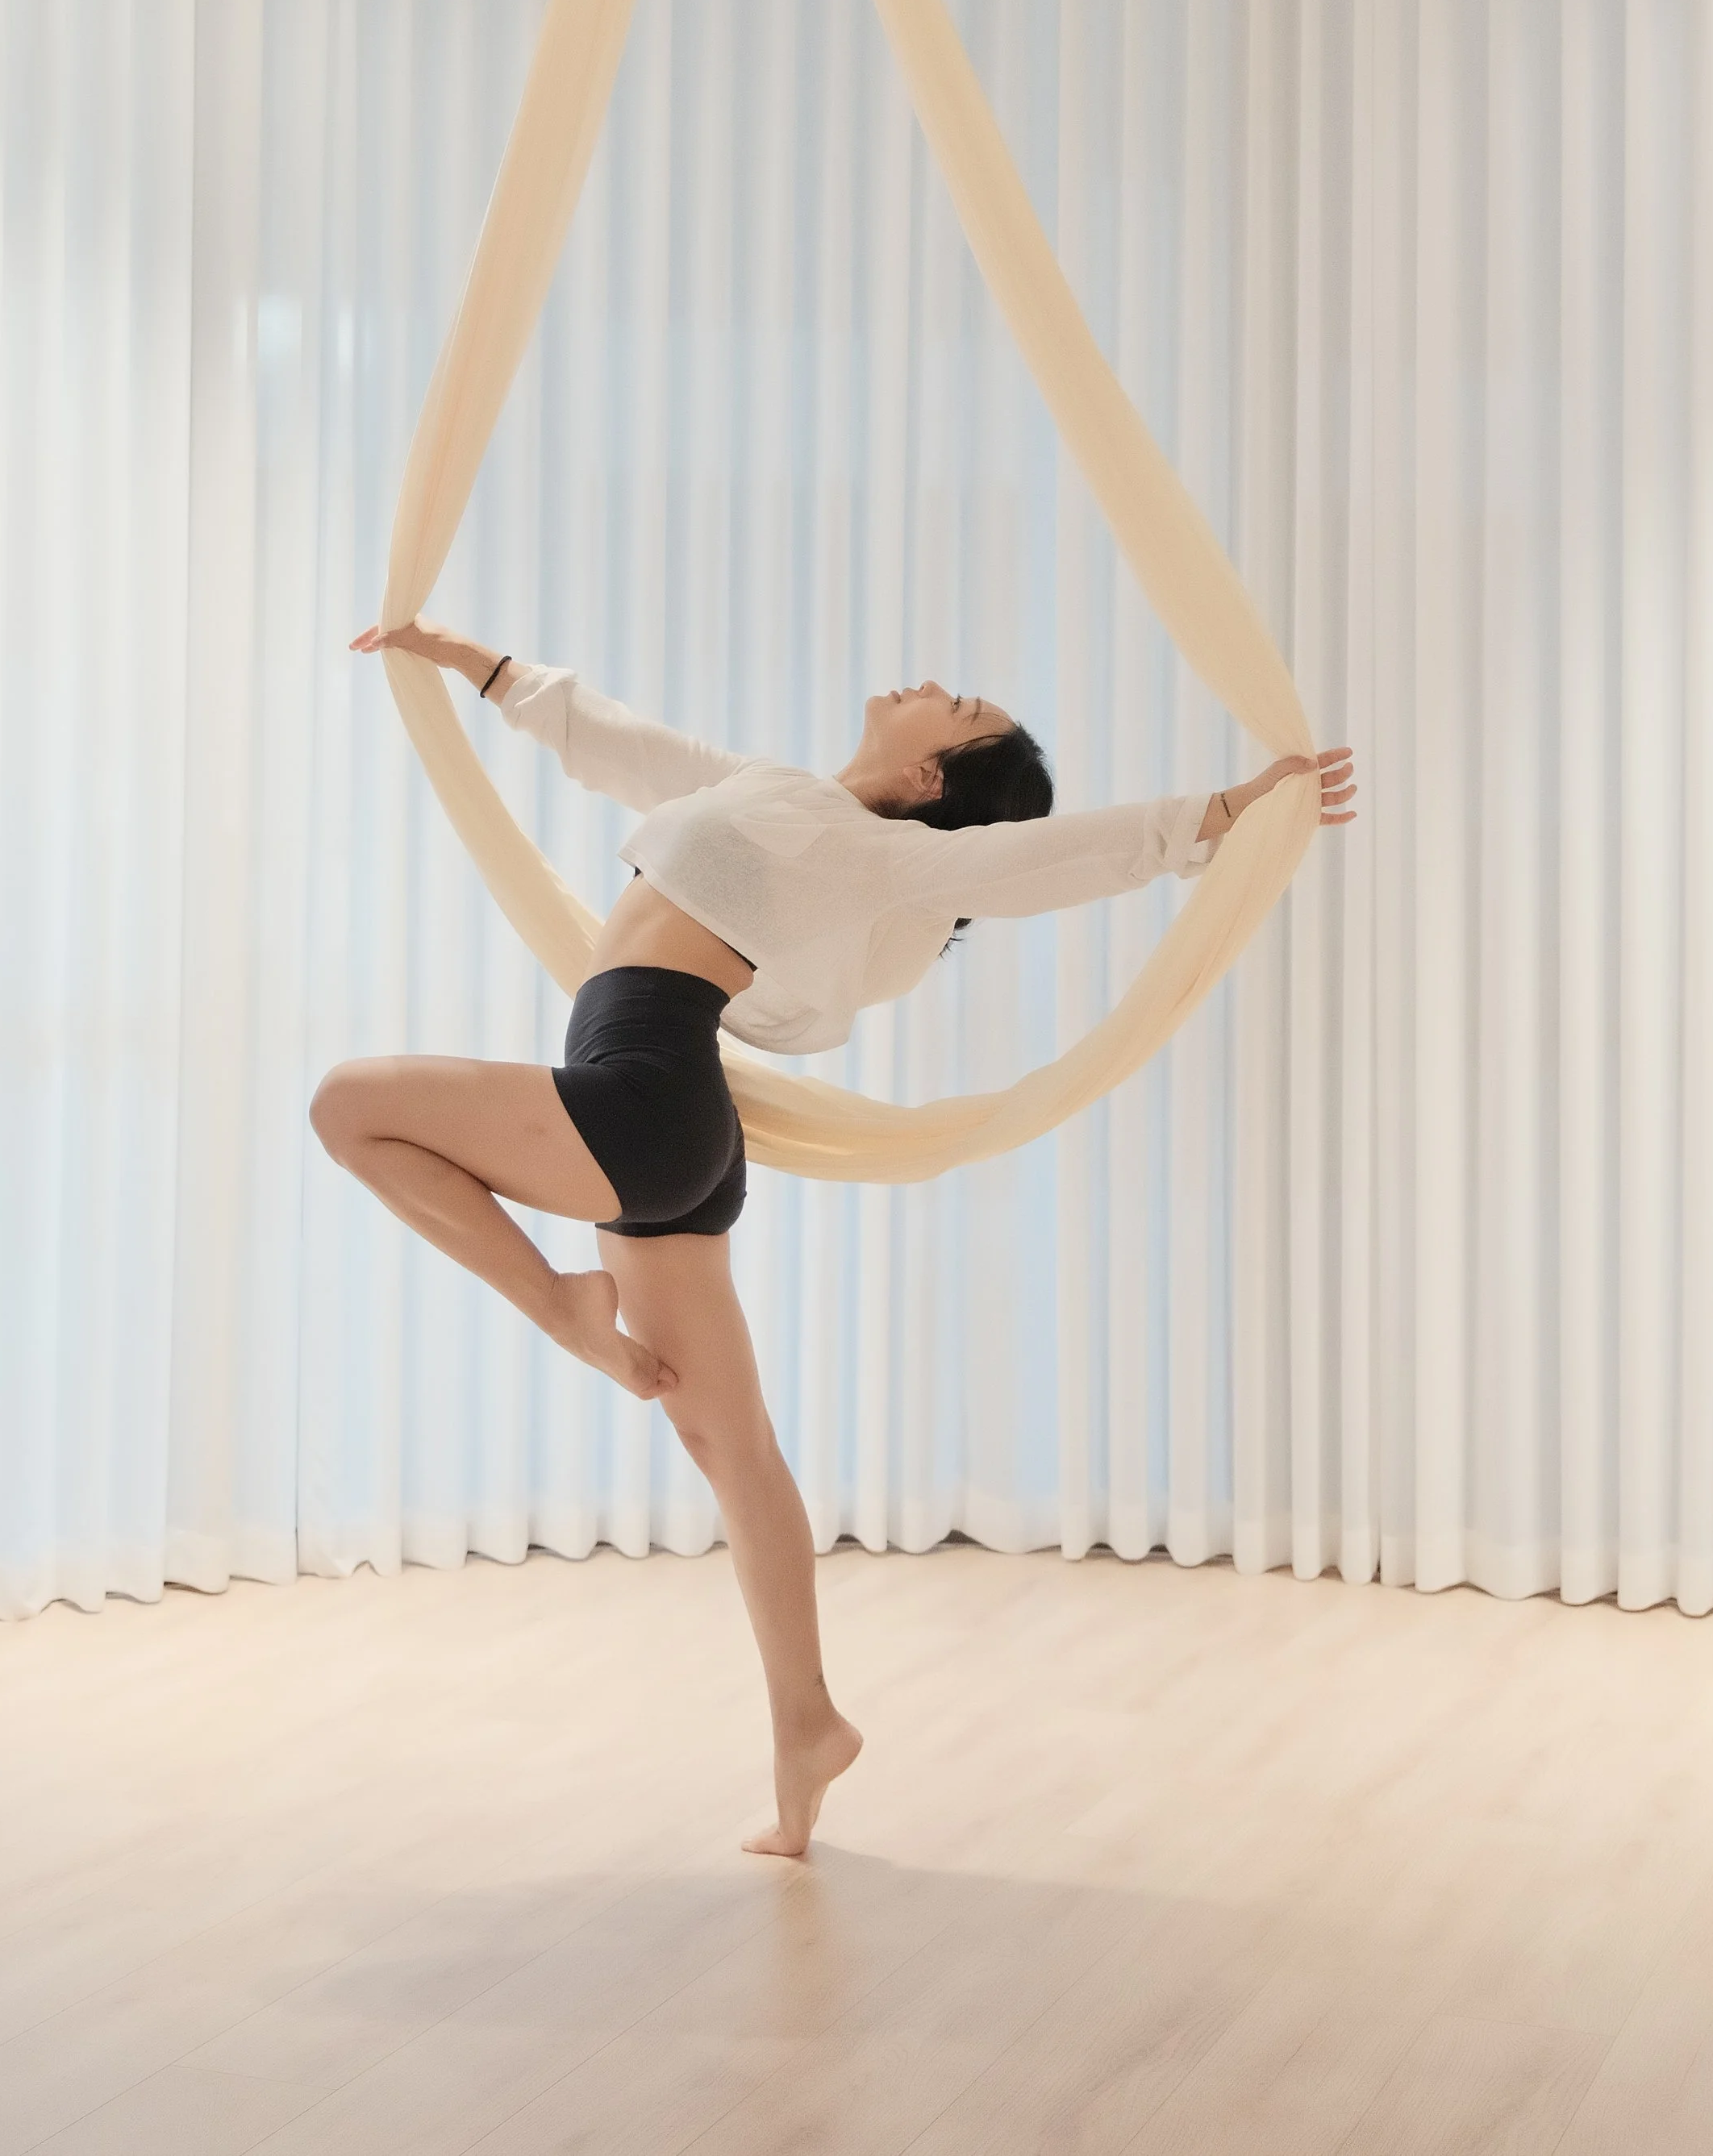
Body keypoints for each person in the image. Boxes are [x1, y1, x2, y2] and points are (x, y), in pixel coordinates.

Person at [311, 624, 1357, 1856]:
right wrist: (469, 662)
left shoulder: (876, 859)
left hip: (644, 1094)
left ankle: (557, 1307)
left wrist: (1227, 810)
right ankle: (806, 1727)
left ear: (931, 780)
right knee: (731, 1443)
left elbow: (1051, 857)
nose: (927, 679)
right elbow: (629, 747)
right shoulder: (780, 802)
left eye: (954, 701)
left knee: (350, 1104)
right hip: (669, 1111)